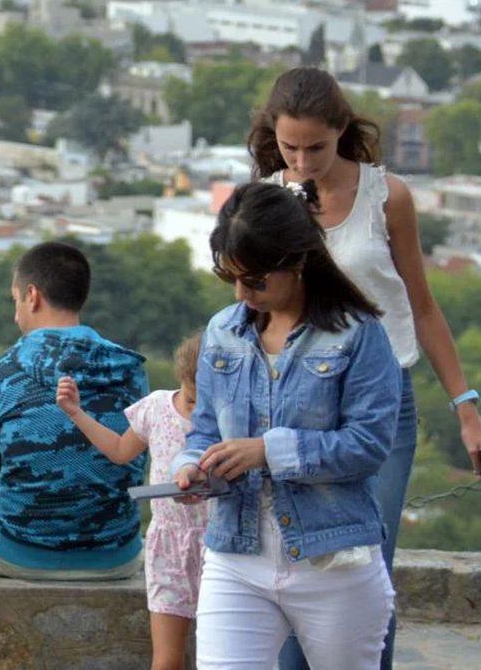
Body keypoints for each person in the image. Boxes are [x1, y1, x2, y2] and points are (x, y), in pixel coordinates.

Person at [248, 66, 481, 670]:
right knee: (294, 563)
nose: (304, 160)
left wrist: (467, 409)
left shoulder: (387, 196)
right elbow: (250, 310)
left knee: (366, 573)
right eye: (290, 147)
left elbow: (422, 305)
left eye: (317, 146)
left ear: (342, 130)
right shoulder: (267, 200)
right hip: (295, 403)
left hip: (382, 401)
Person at [175, 180, 403, 669]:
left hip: (333, 557)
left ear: (297, 261)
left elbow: (369, 445)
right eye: (230, 278)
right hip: (236, 552)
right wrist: (194, 466)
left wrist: (268, 451)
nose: (242, 294)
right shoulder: (222, 332)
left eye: (255, 280)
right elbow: (205, 430)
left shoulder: (358, 334)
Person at [0, 241, 149, 580]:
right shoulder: (129, 369)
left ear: (32, 295)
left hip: (20, 553)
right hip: (116, 553)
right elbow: (135, 462)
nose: (15, 313)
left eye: (15, 300)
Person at [57, 333, 207, 670]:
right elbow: (121, 451)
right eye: (192, 400)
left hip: (219, 542)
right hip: (168, 545)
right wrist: (76, 414)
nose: (199, 411)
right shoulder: (156, 406)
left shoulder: (229, 417)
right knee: (166, 661)